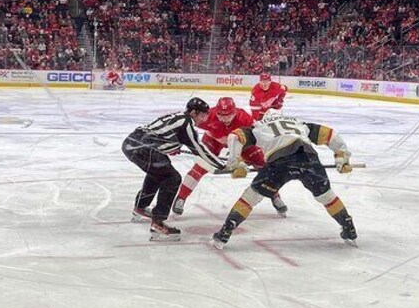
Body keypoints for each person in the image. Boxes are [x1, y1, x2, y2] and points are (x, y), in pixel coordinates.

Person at [212, 109, 357, 249]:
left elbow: (234, 137)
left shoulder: (259, 126)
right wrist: (341, 157)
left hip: (279, 163)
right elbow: (330, 134)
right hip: (308, 158)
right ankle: (348, 227)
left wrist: (235, 162)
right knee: (327, 196)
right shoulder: (299, 123)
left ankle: (226, 231)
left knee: (251, 197)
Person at [121, 98, 224, 241]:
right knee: (172, 178)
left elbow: (157, 134)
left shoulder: (179, 117)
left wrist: (169, 147)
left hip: (132, 143)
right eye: (203, 115)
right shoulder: (186, 123)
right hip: (144, 148)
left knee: (158, 173)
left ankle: (140, 207)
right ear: (194, 112)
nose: (204, 119)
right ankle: (158, 222)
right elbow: (199, 149)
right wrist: (222, 165)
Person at [173, 97, 286, 216]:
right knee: (200, 167)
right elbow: (184, 128)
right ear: (216, 112)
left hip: (241, 142)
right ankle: (181, 198)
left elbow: (257, 137)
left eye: (229, 115)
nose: (225, 118)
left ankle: (275, 196)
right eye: (221, 115)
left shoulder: (245, 118)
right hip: (214, 140)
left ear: (235, 112)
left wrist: (240, 158)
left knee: (264, 167)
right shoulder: (207, 116)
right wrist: (175, 144)